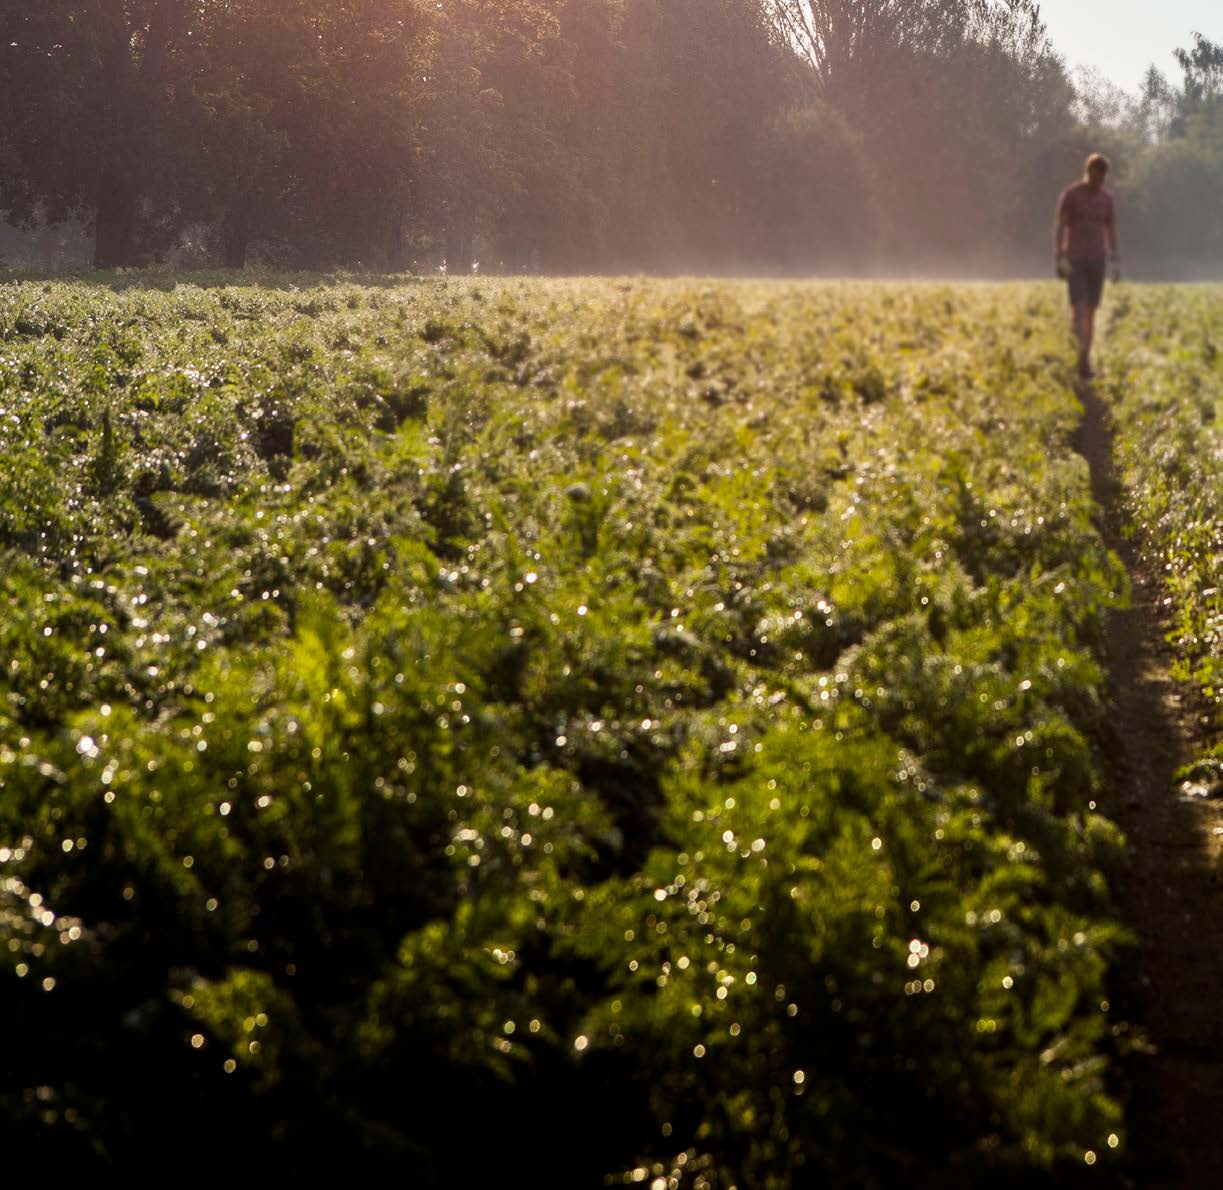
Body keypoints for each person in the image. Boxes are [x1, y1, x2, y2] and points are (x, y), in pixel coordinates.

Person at [1054, 153, 1121, 379]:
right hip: (1075, 259)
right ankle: (1080, 350)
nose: (1098, 182)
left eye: (1101, 179)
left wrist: (1115, 258)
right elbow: (1061, 226)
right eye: (1095, 177)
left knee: (1090, 311)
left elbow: (1111, 230)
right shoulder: (1071, 195)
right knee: (1081, 309)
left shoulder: (1107, 200)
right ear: (1087, 172)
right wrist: (1059, 255)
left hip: (1097, 260)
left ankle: (1084, 358)